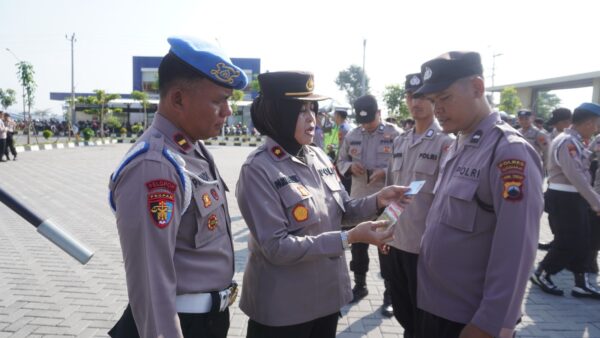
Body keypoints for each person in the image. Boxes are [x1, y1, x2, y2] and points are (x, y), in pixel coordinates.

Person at [236, 71, 410, 338]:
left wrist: (377, 200)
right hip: (283, 310)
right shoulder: (259, 169)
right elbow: (276, 247)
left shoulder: (316, 154)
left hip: (326, 300)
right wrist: (349, 238)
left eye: (312, 109)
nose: (312, 118)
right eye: (301, 110)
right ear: (279, 113)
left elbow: (342, 210)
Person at [107, 36, 248, 338]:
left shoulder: (191, 150)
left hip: (208, 320)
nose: (228, 111)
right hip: (181, 324)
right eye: (218, 100)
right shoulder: (154, 166)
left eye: (228, 100)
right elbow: (150, 283)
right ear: (178, 99)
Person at [414, 51, 543, 338]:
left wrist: (490, 324)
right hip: (434, 306)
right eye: (433, 101)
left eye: (445, 98)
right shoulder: (459, 143)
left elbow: (517, 249)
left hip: (469, 320)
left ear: (477, 88)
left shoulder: (509, 151)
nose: (437, 109)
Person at [384, 72, 454, 337]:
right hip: (396, 241)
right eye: (412, 96)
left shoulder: (446, 143)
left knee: (424, 315)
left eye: (423, 96)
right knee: (402, 310)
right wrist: (385, 231)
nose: (417, 102)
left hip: (423, 247)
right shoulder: (400, 141)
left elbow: (445, 199)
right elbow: (390, 191)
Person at [337, 94, 402, 317]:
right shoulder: (352, 134)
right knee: (358, 246)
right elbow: (340, 159)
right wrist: (349, 167)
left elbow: (405, 166)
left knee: (387, 248)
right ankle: (360, 285)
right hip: (358, 200)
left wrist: (386, 172)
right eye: (362, 121)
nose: (366, 125)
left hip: (387, 205)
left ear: (379, 113)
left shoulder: (395, 134)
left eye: (370, 120)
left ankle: (390, 295)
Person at [531, 102, 600, 299]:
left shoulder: (575, 140)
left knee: (583, 241)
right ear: (587, 123)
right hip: (565, 197)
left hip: (574, 197)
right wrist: (596, 202)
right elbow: (576, 175)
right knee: (568, 241)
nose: (596, 128)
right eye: (596, 124)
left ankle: (581, 283)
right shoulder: (567, 142)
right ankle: (543, 273)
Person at [538, 107, 573, 251]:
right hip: (553, 182)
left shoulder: (574, 137)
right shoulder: (550, 135)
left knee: (567, 217)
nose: (553, 125)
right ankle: (557, 240)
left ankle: (563, 245)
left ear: (567, 122)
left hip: (569, 185)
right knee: (553, 214)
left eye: (556, 122)